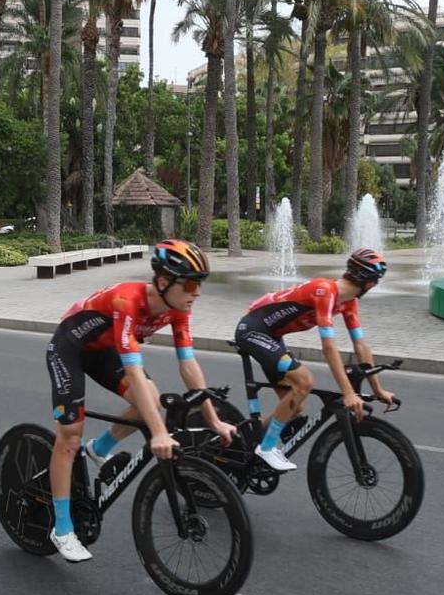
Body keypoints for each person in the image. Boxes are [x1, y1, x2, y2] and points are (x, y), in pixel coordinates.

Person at [43, 239, 237, 564]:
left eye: (200, 284)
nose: (197, 292)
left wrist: (213, 419)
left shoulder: (178, 309)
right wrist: (158, 432)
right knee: (70, 435)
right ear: (163, 282)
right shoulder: (127, 301)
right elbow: (133, 372)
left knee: (152, 399)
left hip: (103, 352)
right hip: (70, 349)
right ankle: (62, 529)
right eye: (190, 284)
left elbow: (188, 365)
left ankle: (100, 448)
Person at [233, 248, 397, 472]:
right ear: (370, 283)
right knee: (304, 382)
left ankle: (246, 443)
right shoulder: (325, 291)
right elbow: (328, 347)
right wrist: (348, 393)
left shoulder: (348, 303)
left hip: (271, 336)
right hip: (251, 331)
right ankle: (267, 447)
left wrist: (378, 389)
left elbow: (360, 345)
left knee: (295, 406)